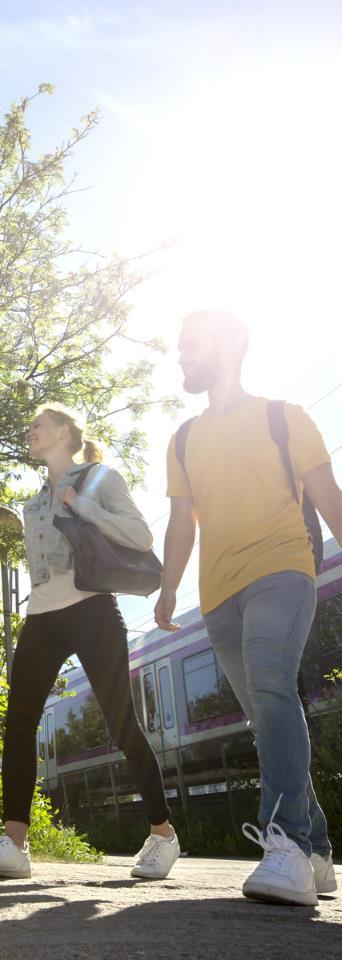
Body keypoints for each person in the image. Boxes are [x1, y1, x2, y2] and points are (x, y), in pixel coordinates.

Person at [154, 309, 342, 906]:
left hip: (282, 570)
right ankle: (314, 851)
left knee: (270, 683)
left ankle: (283, 843)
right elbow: (183, 524)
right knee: (266, 716)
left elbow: (327, 496)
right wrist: (167, 588)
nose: (182, 355)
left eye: (192, 345)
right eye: (179, 347)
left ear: (231, 344)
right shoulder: (182, 438)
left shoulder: (283, 418)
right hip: (217, 596)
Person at [0, 404, 180, 881]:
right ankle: (14, 843)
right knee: (18, 726)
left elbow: (141, 536)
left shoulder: (99, 477)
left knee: (123, 725)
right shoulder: (34, 503)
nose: (30, 430)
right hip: (41, 617)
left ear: (62, 432)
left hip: (93, 613)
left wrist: (82, 504)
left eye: (36, 424)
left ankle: (163, 835)